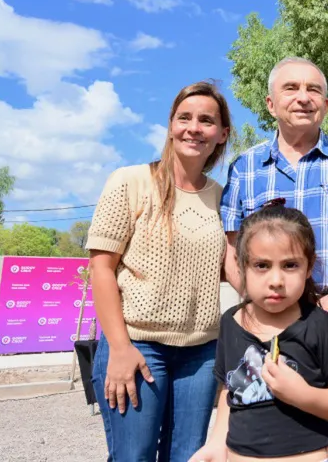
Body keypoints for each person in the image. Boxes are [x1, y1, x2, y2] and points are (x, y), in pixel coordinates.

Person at [221, 57, 328, 462]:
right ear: (269, 103)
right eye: (291, 89)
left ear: (326, 105)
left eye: (313, 90)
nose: (303, 98)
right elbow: (231, 253)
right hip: (267, 326)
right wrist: (262, 308)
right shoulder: (244, 169)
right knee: (275, 439)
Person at [88, 81, 232, 461]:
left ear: (222, 134)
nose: (194, 128)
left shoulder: (223, 197)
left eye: (206, 120)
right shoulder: (130, 182)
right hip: (137, 345)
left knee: (188, 457)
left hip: (201, 353)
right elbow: (101, 269)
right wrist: (119, 347)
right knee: (132, 456)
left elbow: (234, 268)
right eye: (184, 118)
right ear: (170, 125)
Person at [190, 202, 328, 462]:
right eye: (262, 265)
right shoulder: (231, 321)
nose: (276, 280)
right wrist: (216, 443)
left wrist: (302, 395)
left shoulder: (320, 324)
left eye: (290, 265)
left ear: (309, 265)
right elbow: (230, 388)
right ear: (241, 265)